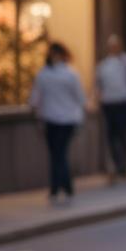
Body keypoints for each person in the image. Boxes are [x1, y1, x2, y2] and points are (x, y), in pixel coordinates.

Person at [28, 42, 86, 204]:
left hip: (57, 120)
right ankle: (64, 186)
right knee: (59, 153)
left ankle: (58, 186)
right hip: (61, 119)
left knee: (57, 154)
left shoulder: (54, 74)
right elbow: (80, 98)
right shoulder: (66, 74)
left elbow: (34, 99)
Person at [94, 34, 126, 182]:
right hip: (109, 103)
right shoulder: (104, 65)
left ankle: (123, 164)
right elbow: (98, 85)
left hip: (124, 102)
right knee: (111, 136)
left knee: (123, 134)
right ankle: (115, 164)